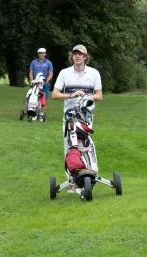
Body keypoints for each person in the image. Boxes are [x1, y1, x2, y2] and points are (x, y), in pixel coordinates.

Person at [51, 44, 102, 193]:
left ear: (86, 56)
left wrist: (87, 96)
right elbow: (55, 94)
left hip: (86, 117)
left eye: (80, 54)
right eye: (75, 54)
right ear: (72, 56)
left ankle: (85, 179)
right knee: (69, 147)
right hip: (69, 116)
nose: (77, 56)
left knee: (84, 146)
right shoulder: (64, 73)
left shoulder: (93, 73)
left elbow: (99, 96)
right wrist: (71, 95)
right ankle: (72, 182)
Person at [29, 48, 53, 121]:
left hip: (44, 84)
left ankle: (42, 114)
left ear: (45, 54)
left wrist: (46, 81)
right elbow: (31, 72)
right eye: (40, 53)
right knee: (34, 97)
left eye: (43, 53)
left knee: (43, 99)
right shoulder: (34, 62)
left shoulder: (48, 63)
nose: (41, 54)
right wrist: (32, 81)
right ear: (38, 54)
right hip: (35, 83)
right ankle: (34, 113)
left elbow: (51, 74)